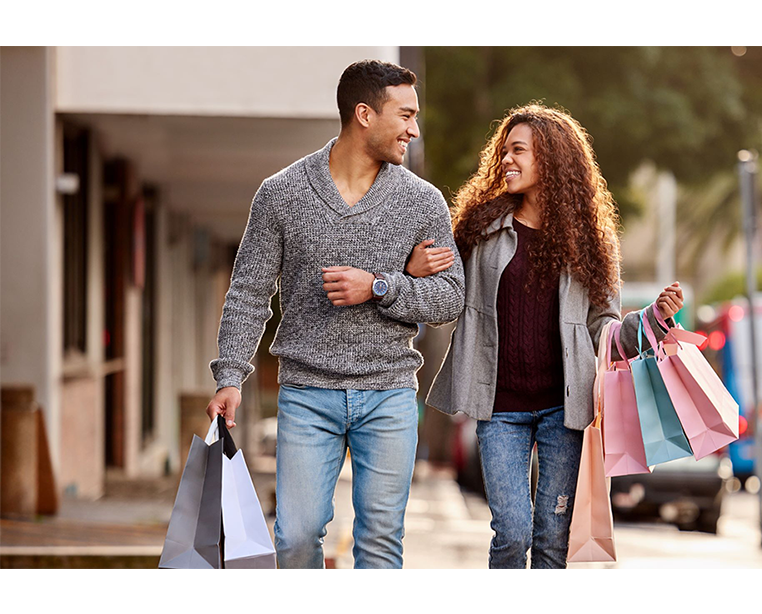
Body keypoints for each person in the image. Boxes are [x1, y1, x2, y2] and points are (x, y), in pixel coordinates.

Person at [205, 59, 464, 569]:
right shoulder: (281, 193)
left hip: (388, 393)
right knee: (296, 538)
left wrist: (382, 286)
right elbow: (249, 291)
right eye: (405, 114)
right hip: (306, 394)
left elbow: (450, 297)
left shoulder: (422, 201)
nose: (415, 129)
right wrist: (230, 375)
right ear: (364, 114)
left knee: (381, 541)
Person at [415, 103, 684, 569]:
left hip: (565, 410)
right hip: (498, 409)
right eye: (504, 151)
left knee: (552, 540)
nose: (506, 161)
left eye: (518, 150)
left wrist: (652, 320)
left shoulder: (590, 242)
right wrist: (411, 273)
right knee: (512, 532)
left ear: (551, 159)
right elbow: (443, 301)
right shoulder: (481, 229)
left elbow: (605, 329)